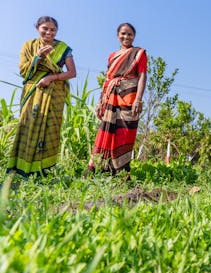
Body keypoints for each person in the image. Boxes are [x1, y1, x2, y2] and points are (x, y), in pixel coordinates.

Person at [7, 16, 76, 177]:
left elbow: (72, 73)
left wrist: (51, 78)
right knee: (27, 124)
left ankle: (44, 171)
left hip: (55, 93)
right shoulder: (29, 46)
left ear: (56, 31)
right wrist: (38, 58)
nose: (48, 32)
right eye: (45, 28)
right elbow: (24, 71)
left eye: (53, 29)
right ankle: (20, 169)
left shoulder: (63, 48)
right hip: (33, 90)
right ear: (38, 28)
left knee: (51, 127)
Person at [87, 23, 147, 176]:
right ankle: (102, 169)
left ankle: (121, 171)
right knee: (107, 131)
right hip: (110, 96)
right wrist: (101, 101)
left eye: (129, 34)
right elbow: (108, 79)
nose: (126, 37)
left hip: (129, 96)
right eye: (123, 34)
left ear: (134, 36)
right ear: (117, 35)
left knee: (125, 132)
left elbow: (142, 76)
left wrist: (138, 99)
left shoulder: (139, 53)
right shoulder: (112, 56)